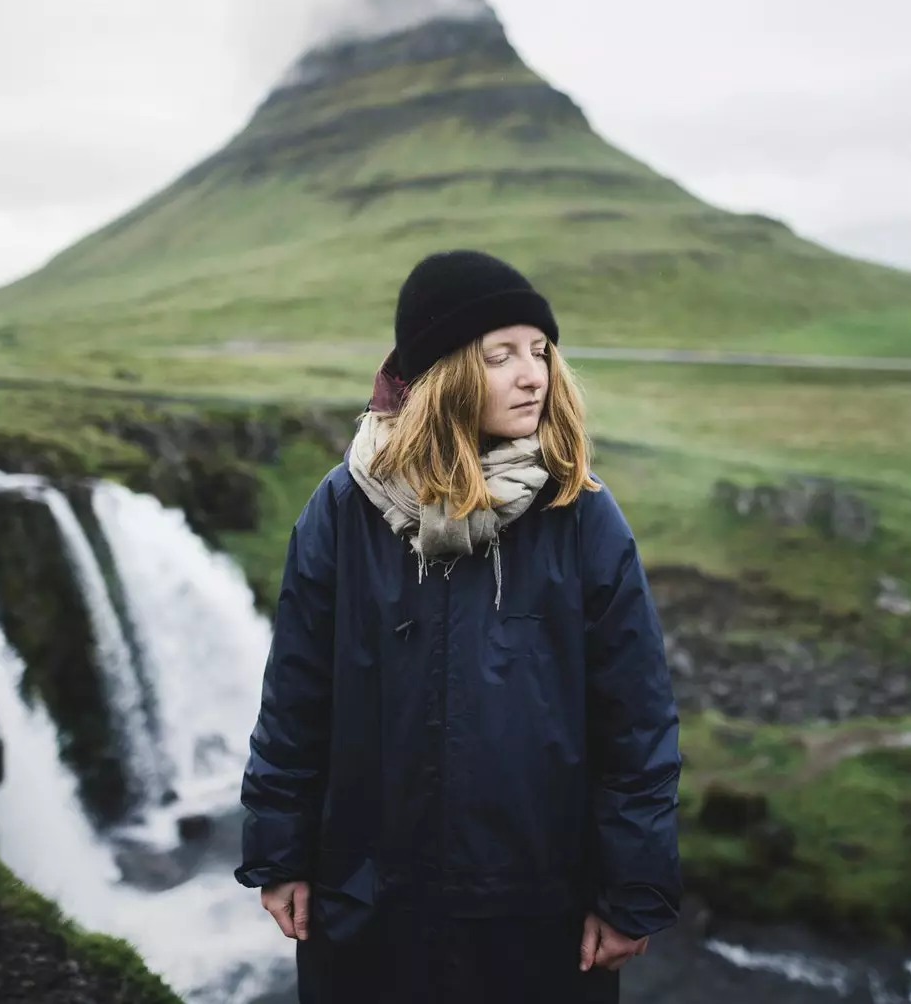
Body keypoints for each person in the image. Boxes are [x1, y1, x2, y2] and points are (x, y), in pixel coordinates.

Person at [234, 249, 682, 1003]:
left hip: (535, 914)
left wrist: (630, 888)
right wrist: (279, 855)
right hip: (370, 907)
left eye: (539, 351)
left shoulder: (580, 514)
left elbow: (635, 720)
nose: (532, 374)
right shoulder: (344, 510)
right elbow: (295, 697)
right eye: (499, 354)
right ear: (441, 372)